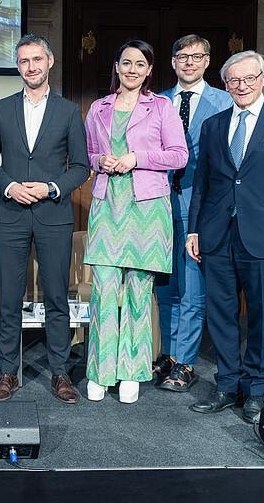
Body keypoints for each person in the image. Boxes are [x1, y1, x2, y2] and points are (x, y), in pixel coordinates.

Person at [188, 51, 264, 424]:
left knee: (260, 316)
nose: (241, 86)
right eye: (233, 81)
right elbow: (203, 184)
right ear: (226, 84)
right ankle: (227, 385)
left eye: (248, 79)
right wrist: (193, 229)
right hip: (216, 234)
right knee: (220, 314)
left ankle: (256, 390)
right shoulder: (213, 124)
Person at [0, 34, 90, 403]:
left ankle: (61, 373)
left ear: (50, 61)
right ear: (18, 66)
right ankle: (7, 373)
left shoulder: (68, 111)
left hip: (53, 216)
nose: (31, 66)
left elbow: (80, 167)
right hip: (10, 215)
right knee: (9, 299)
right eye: (24, 61)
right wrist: (9, 186)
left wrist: (50, 188)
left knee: (57, 297)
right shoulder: (0, 108)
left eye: (37, 59)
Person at [82, 40, 188, 404]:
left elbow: (179, 154)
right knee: (104, 293)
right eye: (126, 62)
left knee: (139, 295)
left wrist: (135, 158)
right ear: (116, 66)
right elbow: (89, 155)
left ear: (148, 71)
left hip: (147, 210)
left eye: (139, 64)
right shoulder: (98, 108)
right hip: (108, 207)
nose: (131, 69)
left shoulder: (162, 107)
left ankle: (131, 372)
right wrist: (102, 163)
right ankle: (100, 372)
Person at [153, 35, 232, 393]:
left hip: (199, 206)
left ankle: (185, 362)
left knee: (193, 290)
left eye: (196, 56)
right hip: (156, 205)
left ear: (207, 61)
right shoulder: (156, 103)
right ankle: (169, 355)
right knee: (165, 288)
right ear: (172, 62)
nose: (188, 62)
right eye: (182, 56)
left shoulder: (225, 101)